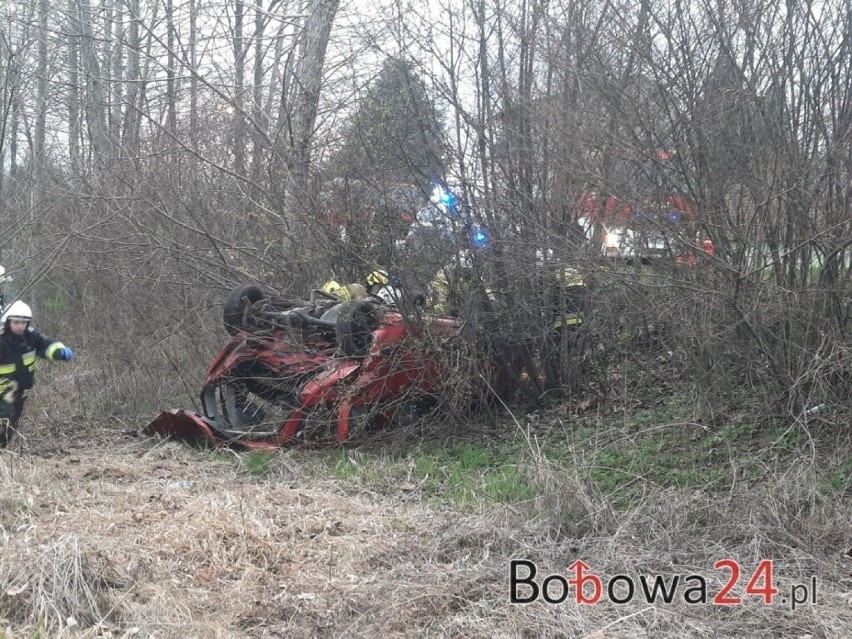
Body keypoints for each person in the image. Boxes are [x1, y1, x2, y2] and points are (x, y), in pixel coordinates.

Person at [0, 300, 74, 448]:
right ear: (8, 321)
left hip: (23, 387)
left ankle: (3, 452)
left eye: (24, 322)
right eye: (16, 322)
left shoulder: (31, 336)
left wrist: (60, 351)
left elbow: (46, 345)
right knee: (5, 416)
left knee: (12, 421)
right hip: (3, 386)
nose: (21, 326)